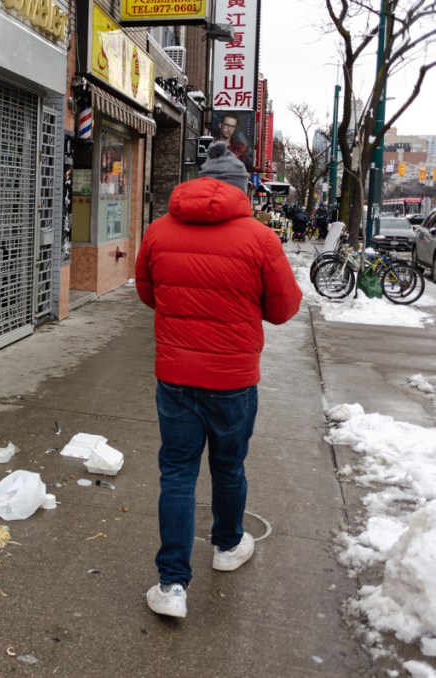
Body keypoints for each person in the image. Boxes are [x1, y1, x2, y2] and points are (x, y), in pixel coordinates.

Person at [135, 141, 302, 619]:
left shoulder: (159, 231)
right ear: (241, 188)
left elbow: (148, 294)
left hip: (176, 377)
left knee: (177, 473)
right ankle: (227, 547)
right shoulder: (261, 239)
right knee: (229, 467)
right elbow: (283, 309)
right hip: (233, 381)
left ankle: (171, 585)